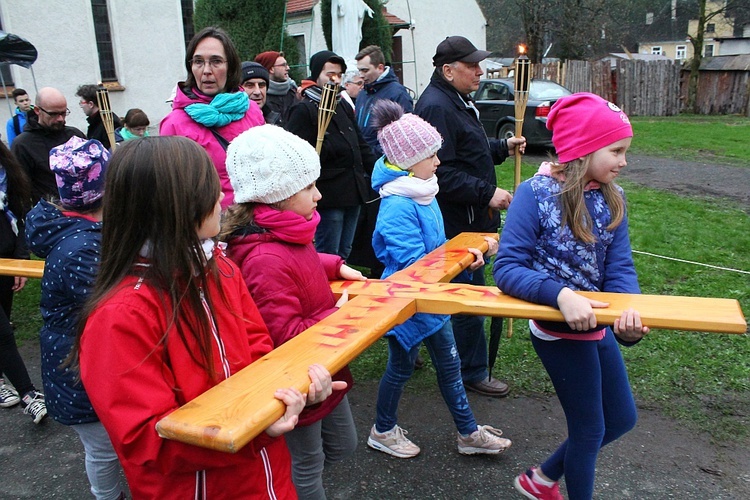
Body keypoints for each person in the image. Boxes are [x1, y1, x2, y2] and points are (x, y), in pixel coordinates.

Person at [76, 136, 342, 499]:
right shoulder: (121, 316)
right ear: (172, 205)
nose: (222, 199)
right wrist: (260, 428)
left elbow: (263, 358)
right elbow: (146, 439)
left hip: (269, 481)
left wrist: (295, 391)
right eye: (209, 190)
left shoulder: (222, 270)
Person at [493, 93, 649, 500]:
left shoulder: (612, 198)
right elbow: (507, 268)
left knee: (621, 418)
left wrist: (626, 314)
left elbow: (619, 269)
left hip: (598, 324)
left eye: (625, 151)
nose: (624, 161)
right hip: (557, 329)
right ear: (582, 149)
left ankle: (541, 478)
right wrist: (560, 295)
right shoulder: (535, 194)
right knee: (590, 429)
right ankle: (551, 486)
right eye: (616, 150)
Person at [223, 125, 364, 499]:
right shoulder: (263, 258)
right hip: (296, 380)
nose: (319, 195)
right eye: (308, 188)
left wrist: (333, 265)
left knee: (343, 446)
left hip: (323, 366)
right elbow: (283, 335)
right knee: (306, 464)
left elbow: (300, 259)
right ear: (277, 195)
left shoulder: (285, 232)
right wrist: (337, 316)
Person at [366, 100, 512, 459]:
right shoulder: (399, 205)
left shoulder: (422, 192)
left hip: (431, 296)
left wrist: (466, 254)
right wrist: (460, 263)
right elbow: (415, 264)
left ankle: (466, 432)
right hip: (409, 301)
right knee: (405, 368)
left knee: (442, 366)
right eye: (431, 155)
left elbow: (437, 249)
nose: (438, 162)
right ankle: (384, 430)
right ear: (407, 161)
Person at [415, 36, 525, 398]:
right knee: (467, 298)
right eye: (472, 65)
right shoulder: (436, 107)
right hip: (457, 223)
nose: (480, 71)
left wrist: (499, 148)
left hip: (473, 217)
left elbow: (467, 152)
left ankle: (462, 362)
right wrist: (486, 193)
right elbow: (437, 172)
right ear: (448, 71)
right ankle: (471, 370)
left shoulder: (457, 100)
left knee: (470, 293)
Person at [25, 137, 125, 499]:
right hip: (80, 365)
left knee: (106, 444)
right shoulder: (80, 248)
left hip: (80, 358)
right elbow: (110, 305)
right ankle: (107, 496)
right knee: (102, 448)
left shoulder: (79, 233)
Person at [285, 50, 376, 260]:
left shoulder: (341, 104)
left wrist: (379, 170)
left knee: (345, 251)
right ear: (317, 75)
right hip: (328, 195)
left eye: (339, 75)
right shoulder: (304, 109)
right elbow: (298, 154)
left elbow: (358, 143)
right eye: (330, 74)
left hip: (352, 191)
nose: (335, 80)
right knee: (328, 253)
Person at [160, 26, 264, 209]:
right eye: (198, 62)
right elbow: (171, 193)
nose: (206, 70)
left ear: (230, 66)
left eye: (216, 61)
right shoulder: (175, 124)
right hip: (209, 227)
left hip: (256, 222)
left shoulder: (252, 111)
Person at [0, 141, 47, 423]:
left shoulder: (7, 170)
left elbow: (19, 213)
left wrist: (20, 259)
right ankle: (28, 394)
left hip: (6, 261)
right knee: (3, 332)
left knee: (3, 320)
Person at [11, 87, 85, 204]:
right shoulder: (23, 145)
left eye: (63, 113)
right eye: (53, 114)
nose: (60, 119)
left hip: (83, 210)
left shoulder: (75, 135)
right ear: (37, 110)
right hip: (49, 214)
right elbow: (20, 189)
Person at [354, 45, 413, 155]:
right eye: (359, 71)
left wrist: (374, 155)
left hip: (382, 163)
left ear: (380, 68)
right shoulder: (363, 93)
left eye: (365, 70)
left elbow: (403, 136)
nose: (361, 75)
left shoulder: (397, 93)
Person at [255, 51, 297, 126]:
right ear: (271, 69)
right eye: (283, 65)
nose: (288, 68)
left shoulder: (294, 92)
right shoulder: (259, 98)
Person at [75, 84, 122, 150]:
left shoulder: (110, 123)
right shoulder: (94, 122)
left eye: (82, 103)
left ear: (91, 104)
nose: (81, 106)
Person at [240, 61, 280, 125]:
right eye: (250, 85)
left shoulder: (274, 117)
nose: (257, 92)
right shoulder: (229, 121)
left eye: (261, 85)